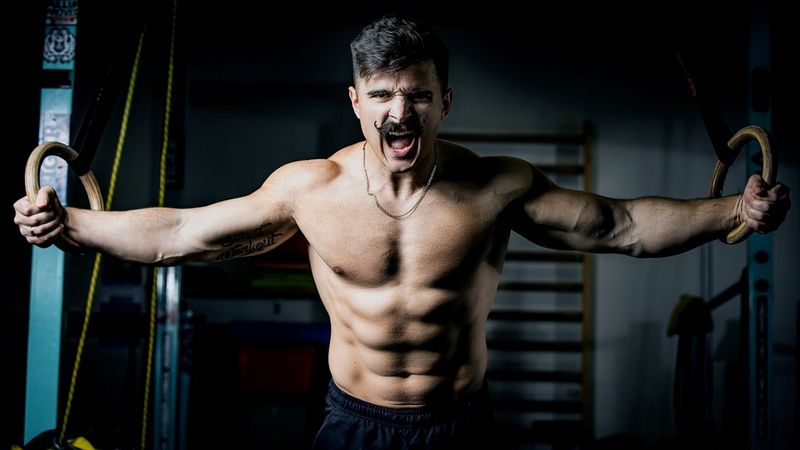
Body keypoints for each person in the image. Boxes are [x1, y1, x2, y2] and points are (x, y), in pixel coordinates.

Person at [13, 14, 791, 450]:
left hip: (462, 425)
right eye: (382, 94)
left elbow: (620, 225)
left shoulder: (496, 187)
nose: (399, 112)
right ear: (356, 101)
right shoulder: (308, 190)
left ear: (443, 100)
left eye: (416, 94)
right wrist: (71, 221)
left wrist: (733, 213)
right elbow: (181, 231)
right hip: (352, 424)